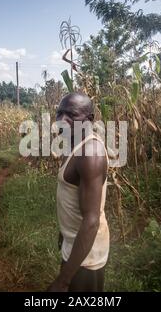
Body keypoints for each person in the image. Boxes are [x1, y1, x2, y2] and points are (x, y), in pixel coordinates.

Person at [47, 92, 110, 292]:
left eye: (71, 115)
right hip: (74, 244)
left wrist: (62, 281)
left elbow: (91, 221)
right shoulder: (74, 143)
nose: (61, 120)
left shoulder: (90, 154)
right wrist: (64, 234)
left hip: (86, 256)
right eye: (59, 113)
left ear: (89, 120)